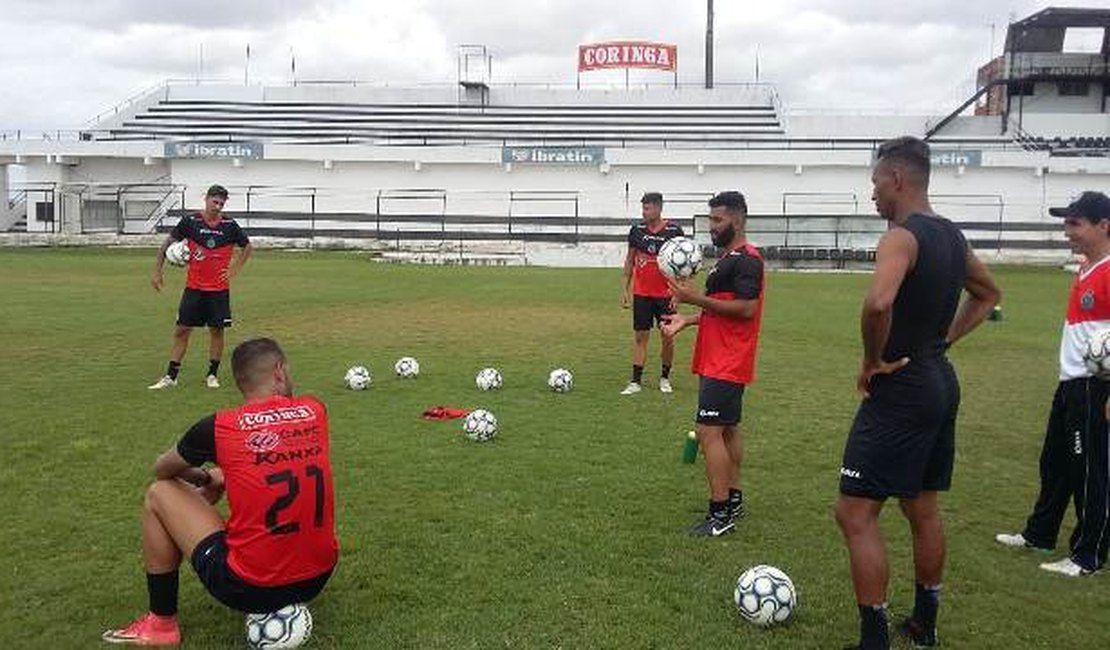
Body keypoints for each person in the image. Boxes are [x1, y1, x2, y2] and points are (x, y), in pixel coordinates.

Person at [834, 136, 1000, 650]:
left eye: (876, 184)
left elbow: (878, 303)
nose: (874, 194)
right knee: (921, 505)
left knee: (855, 512)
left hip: (902, 386)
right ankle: (925, 623)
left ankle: (874, 639)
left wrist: (871, 359)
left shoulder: (901, 238)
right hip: (939, 380)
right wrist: (943, 340)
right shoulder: (951, 235)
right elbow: (989, 293)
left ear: (898, 179)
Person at [104, 337, 338, 645]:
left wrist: (202, 476)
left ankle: (161, 625)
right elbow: (274, 458)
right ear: (279, 372)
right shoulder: (314, 410)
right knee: (225, 474)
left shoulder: (219, 426)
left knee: (159, 492)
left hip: (250, 587)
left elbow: (162, 469)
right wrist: (220, 476)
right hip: (316, 577)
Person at [995, 190, 1110, 578]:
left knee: (1090, 470)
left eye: (1075, 223)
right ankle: (1040, 533)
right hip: (1070, 384)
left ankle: (1087, 555)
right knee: (1055, 464)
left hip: (1097, 388)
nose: (1067, 231)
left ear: (1104, 225)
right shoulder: (1085, 268)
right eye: (1066, 222)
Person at [661, 190, 764, 537]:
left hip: (728, 359)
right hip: (717, 357)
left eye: (717, 220)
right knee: (728, 429)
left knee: (708, 431)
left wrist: (692, 297)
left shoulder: (747, 259)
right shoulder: (727, 259)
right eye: (710, 220)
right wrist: (687, 320)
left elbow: (747, 309)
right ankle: (733, 500)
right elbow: (721, 310)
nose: (712, 227)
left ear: (737, 219)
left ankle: (719, 516)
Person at [149, 184, 252, 390]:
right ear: (206, 199)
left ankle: (212, 375)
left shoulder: (230, 225)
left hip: (219, 290)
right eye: (215, 202)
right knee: (182, 330)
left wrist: (234, 269)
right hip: (194, 289)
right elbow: (167, 243)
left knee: (217, 331)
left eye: (221, 203)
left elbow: (247, 246)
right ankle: (171, 376)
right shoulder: (191, 222)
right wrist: (157, 271)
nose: (218, 206)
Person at [621, 192, 685, 395]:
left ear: (658, 208)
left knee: (667, 336)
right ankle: (635, 381)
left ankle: (665, 378)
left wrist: (678, 293)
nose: (644, 212)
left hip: (665, 295)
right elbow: (630, 260)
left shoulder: (674, 231)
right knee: (641, 337)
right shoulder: (637, 230)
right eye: (643, 208)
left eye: (647, 208)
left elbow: (683, 264)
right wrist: (625, 288)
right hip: (642, 294)